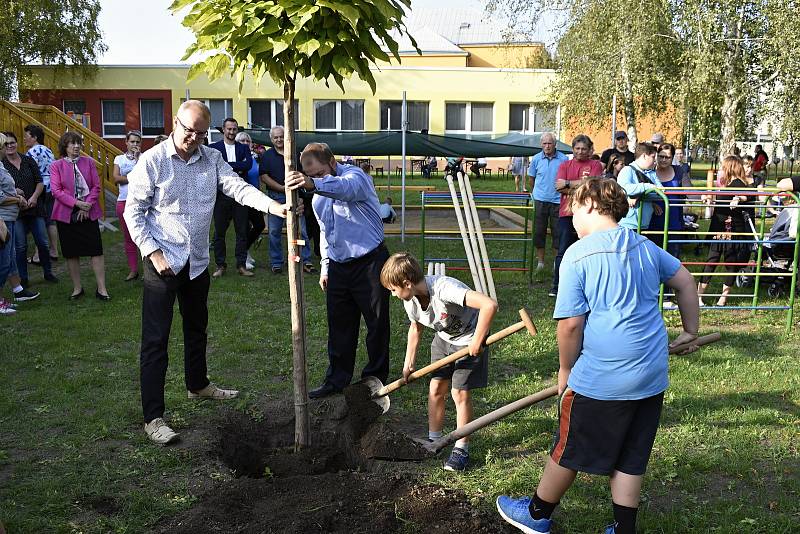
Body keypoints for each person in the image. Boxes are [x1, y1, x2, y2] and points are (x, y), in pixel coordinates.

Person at [496, 177, 700, 534]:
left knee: (569, 446)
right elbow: (685, 281)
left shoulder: (577, 254)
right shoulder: (645, 247)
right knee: (631, 456)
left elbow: (571, 326)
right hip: (651, 375)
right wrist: (690, 331)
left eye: (573, 207)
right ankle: (624, 529)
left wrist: (564, 368)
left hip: (603, 377)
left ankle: (537, 514)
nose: (571, 216)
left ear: (590, 204)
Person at [123, 100, 302, 444]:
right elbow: (134, 212)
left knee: (197, 327)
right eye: (188, 130)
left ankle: (198, 385)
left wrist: (274, 206)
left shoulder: (212, 159)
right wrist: (153, 252)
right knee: (156, 341)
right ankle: (154, 417)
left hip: (197, 261)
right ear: (176, 123)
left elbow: (238, 187)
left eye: (201, 133)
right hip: (162, 262)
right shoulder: (154, 161)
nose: (193, 138)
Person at [288, 142, 390, 399]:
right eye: (310, 176)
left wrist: (314, 185)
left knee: (376, 323)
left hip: (370, 263)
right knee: (339, 326)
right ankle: (337, 379)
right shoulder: (319, 197)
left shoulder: (356, 177)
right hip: (338, 267)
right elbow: (326, 231)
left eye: (319, 173)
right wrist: (325, 266)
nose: (314, 179)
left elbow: (345, 190)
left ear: (332, 163)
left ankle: (374, 379)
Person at [380, 252, 497, 472]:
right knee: (436, 388)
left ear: (406, 283)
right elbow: (415, 328)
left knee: (459, 393)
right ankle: (435, 441)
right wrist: (409, 363)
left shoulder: (445, 289)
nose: (394, 295)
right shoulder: (411, 300)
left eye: (394, 290)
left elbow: (489, 305)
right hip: (443, 340)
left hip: (471, 339)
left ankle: (461, 448)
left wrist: (478, 341)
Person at [50, 132, 109, 300]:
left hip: (88, 212)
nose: (76, 146)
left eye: (78, 143)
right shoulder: (56, 166)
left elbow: (96, 186)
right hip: (66, 214)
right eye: (72, 144)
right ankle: (77, 288)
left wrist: (87, 205)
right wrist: (77, 204)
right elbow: (56, 191)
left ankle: (102, 289)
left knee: (95, 249)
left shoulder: (89, 162)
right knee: (71, 252)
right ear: (65, 147)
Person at [697, 155, 755, 307]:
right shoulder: (727, 183)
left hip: (731, 231)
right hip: (720, 230)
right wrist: (709, 198)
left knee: (729, 263)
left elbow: (748, 195)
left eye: (723, 167)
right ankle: (699, 297)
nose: (721, 170)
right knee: (712, 261)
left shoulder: (738, 183)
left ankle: (722, 299)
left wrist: (739, 199)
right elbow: (721, 199)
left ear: (730, 167)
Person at [550, 134, 604, 297]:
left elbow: (594, 185)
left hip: (589, 213)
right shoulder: (565, 165)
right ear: (573, 149)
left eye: (584, 149)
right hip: (567, 213)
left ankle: (587, 285)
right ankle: (557, 286)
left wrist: (568, 183)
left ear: (589, 150)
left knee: (588, 251)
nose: (580, 151)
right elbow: (558, 187)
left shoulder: (595, 164)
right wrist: (582, 185)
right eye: (577, 148)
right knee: (563, 250)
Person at [2, 132, 57, 286]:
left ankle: (48, 273)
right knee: (20, 246)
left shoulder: (27, 160)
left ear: (16, 143)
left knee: (42, 242)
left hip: (35, 207)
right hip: (16, 211)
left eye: (12, 142)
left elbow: (40, 181)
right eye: (6, 144)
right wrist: (17, 196)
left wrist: (33, 198)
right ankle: (23, 278)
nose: (10, 146)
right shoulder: (3, 164)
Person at [259, 126, 315, 275]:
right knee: (274, 232)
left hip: (296, 197)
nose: (279, 139)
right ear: (271, 139)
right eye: (276, 137)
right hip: (275, 198)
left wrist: (297, 194)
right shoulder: (267, 156)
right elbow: (264, 177)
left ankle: (304, 260)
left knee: (301, 231)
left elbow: (304, 174)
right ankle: (276, 262)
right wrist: (282, 188)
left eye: (281, 136)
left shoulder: (295, 154)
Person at [208, 118, 254, 277]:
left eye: (234, 129)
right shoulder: (214, 148)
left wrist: (226, 165)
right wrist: (236, 166)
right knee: (219, 233)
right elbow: (214, 168)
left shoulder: (243, 148)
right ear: (223, 129)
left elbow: (248, 165)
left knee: (242, 231)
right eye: (229, 129)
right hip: (221, 196)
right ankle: (220, 265)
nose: (232, 132)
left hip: (240, 195)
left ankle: (241, 265)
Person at [528, 132, 568, 272]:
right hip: (540, 200)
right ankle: (541, 262)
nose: (547, 146)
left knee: (558, 232)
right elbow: (531, 179)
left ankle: (556, 263)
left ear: (555, 144)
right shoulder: (536, 159)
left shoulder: (564, 159)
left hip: (558, 201)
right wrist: (537, 194)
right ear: (541, 144)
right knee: (539, 231)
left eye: (549, 143)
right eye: (544, 143)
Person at [0, 131, 30, 315]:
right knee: (3, 262)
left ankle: (8, 296)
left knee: (8, 260)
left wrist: (16, 192)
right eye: (4, 145)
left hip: (10, 217)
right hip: (2, 219)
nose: (6, 149)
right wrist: (18, 200)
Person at [23, 124, 59, 262]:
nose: (25, 139)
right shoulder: (48, 150)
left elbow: (29, 174)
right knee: (50, 221)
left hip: (39, 189)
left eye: (27, 136)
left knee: (39, 221)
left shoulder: (31, 153)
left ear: (35, 137)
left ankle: (38, 255)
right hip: (52, 188)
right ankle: (54, 251)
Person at [113, 131, 142, 281]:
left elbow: (143, 177)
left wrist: (137, 160)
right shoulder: (119, 159)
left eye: (138, 142)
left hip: (140, 201)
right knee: (128, 237)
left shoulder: (143, 158)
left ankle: (149, 269)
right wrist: (133, 177)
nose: (135, 145)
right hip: (123, 200)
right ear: (126, 142)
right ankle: (133, 269)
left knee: (144, 236)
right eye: (132, 142)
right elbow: (116, 178)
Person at [235, 131, 266, 271]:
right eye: (242, 141)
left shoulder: (254, 158)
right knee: (243, 229)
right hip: (242, 198)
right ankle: (243, 257)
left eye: (248, 141)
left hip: (255, 197)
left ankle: (245, 251)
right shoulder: (237, 158)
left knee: (260, 225)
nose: (246, 143)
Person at [648, 143, 684, 259]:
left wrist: (703, 196)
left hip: (673, 223)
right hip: (651, 223)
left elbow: (689, 189)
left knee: (673, 259)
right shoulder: (649, 171)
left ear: (672, 158)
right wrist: (651, 203)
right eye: (661, 156)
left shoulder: (679, 171)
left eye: (667, 157)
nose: (663, 160)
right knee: (653, 259)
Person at [617, 142, 661, 232]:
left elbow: (661, 191)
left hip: (645, 224)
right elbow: (624, 189)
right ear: (644, 156)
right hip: (627, 224)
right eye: (653, 157)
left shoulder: (652, 173)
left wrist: (639, 196)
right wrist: (647, 186)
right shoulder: (627, 170)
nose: (655, 160)